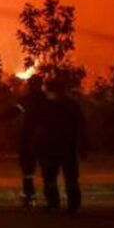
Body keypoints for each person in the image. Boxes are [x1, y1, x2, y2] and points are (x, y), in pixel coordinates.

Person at [38, 76, 87, 213]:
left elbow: (42, 127)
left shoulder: (49, 105)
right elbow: (81, 126)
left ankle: (55, 203)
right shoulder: (71, 104)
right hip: (64, 145)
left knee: (52, 176)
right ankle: (72, 205)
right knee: (67, 176)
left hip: (56, 146)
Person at [0, 74, 48, 207]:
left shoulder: (29, 99)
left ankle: (29, 195)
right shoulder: (46, 99)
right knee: (41, 168)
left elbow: (15, 110)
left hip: (31, 135)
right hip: (43, 136)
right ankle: (47, 198)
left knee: (28, 167)